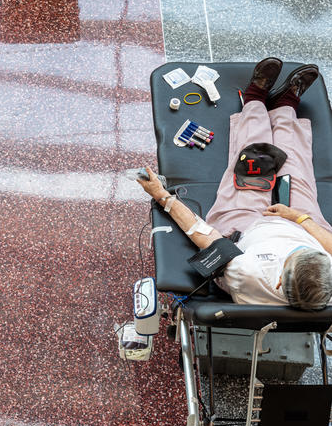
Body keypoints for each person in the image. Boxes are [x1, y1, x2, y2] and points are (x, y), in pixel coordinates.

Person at [138, 57, 332, 310]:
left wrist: (162, 196)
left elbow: (204, 235)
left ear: (277, 284)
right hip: (301, 223)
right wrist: (298, 219)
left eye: (291, 254)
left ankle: (254, 99)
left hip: (248, 224)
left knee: (253, 159)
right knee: (296, 163)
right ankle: (285, 106)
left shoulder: (246, 273)